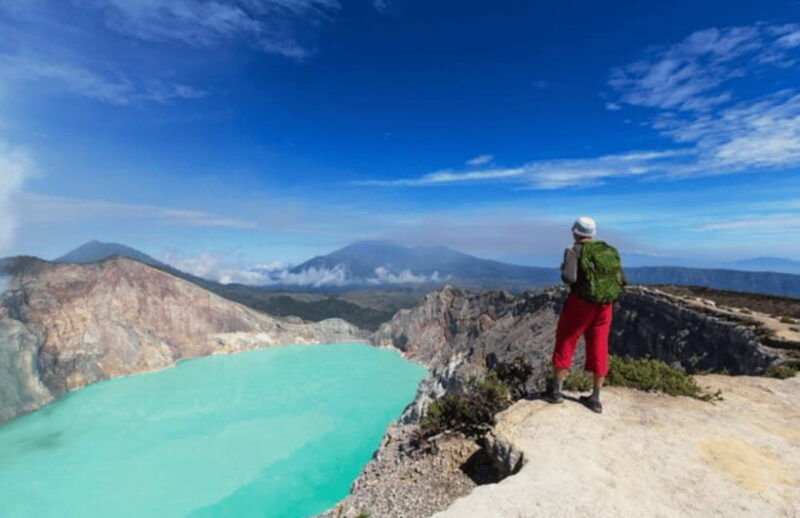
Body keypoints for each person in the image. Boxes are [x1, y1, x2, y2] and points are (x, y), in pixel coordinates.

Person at [545, 216, 628, 413]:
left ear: (575, 231)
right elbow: (624, 280)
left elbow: (570, 277)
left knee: (566, 341)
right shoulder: (608, 251)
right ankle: (596, 398)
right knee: (600, 346)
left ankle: (556, 392)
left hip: (580, 304)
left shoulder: (573, 250)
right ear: (593, 233)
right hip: (605, 306)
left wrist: (564, 268)